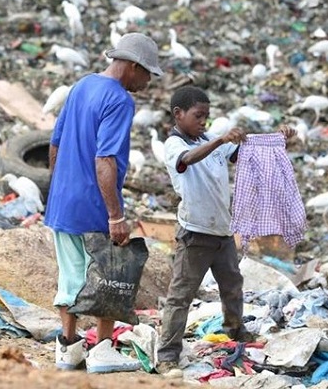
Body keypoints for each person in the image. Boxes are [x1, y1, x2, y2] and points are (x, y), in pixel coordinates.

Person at [45, 33, 163, 374]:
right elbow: (105, 159)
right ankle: (103, 349)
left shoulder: (82, 86)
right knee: (108, 275)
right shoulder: (120, 100)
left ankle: (68, 349)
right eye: (146, 74)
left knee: (70, 276)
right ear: (132, 66)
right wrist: (115, 214)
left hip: (64, 202)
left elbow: (55, 143)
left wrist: (60, 188)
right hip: (93, 204)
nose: (146, 82)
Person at [157, 86, 295, 377]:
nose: (204, 122)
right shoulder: (174, 145)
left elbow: (249, 156)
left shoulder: (209, 140)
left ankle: (236, 330)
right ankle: (167, 355)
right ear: (178, 115)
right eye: (198, 116)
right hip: (195, 233)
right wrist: (221, 138)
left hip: (222, 231)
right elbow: (187, 160)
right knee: (181, 295)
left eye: (207, 116)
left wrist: (279, 140)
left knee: (232, 285)